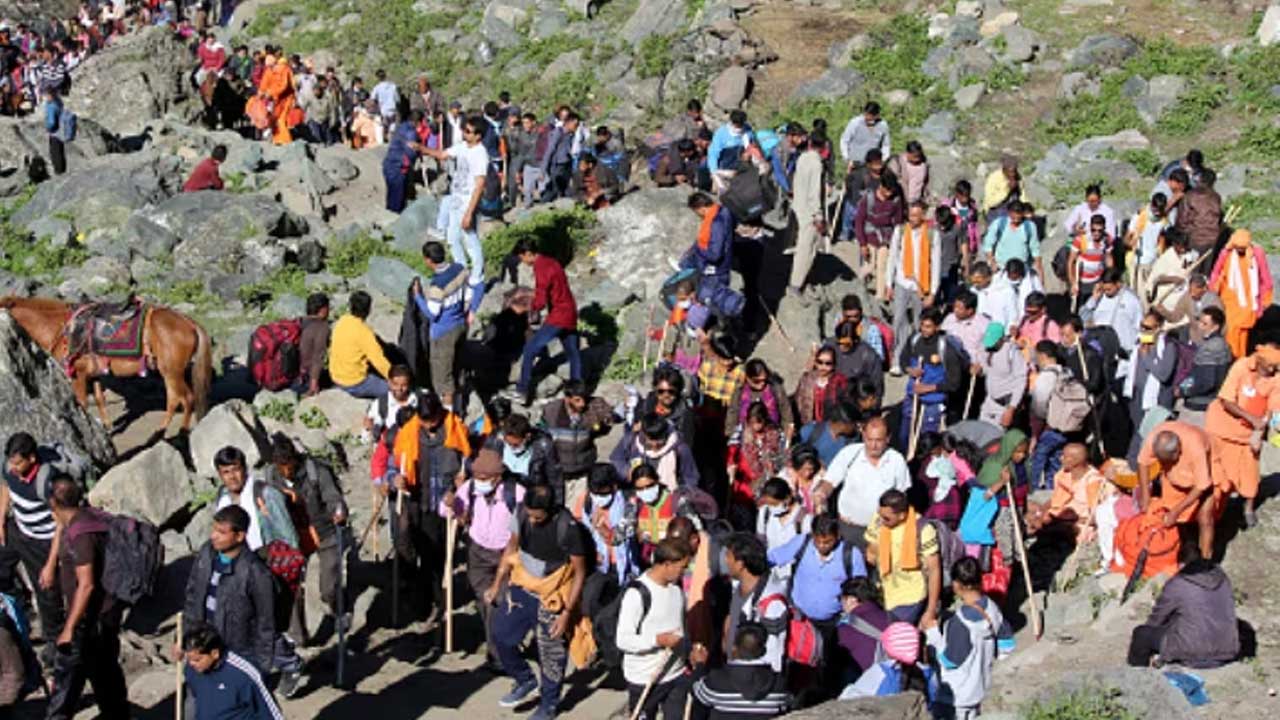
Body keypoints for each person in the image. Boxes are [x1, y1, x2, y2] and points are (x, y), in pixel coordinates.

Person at [487, 483, 588, 720]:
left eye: (538, 517)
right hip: (522, 585)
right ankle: (524, 679)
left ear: (550, 511)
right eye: (530, 514)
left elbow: (579, 572)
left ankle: (549, 704)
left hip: (553, 594)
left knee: (551, 653)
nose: (532, 520)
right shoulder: (522, 512)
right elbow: (511, 548)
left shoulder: (568, 528)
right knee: (501, 634)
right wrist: (496, 584)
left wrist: (566, 614)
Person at [1, 433, 82, 665]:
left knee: (47, 589)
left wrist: (50, 563)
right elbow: (6, 487)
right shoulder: (9, 469)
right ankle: (15, 606)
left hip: (43, 540)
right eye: (11, 462)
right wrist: (1, 520)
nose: (14, 468)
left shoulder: (48, 482)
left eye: (19, 463)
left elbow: (60, 523)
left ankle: (54, 641)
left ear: (32, 459)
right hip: (19, 529)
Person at [389, 393, 468, 632]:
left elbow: (468, 460)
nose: (429, 426)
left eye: (432, 420)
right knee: (419, 553)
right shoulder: (408, 433)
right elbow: (395, 465)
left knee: (440, 556)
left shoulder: (455, 429)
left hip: (444, 504)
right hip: (418, 502)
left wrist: (462, 480)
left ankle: (439, 601)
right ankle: (423, 603)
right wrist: (396, 479)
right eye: (425, 422)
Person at [441, 448, 524, 673]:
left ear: (497, 477)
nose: (479, 482)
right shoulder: (469, 488)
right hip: (477, 551)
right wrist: (451, 503)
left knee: (496, 602)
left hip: (504, 553)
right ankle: (498, 647)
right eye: (476, 477)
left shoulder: (516, 494)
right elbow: (453, 512)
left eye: (484, 478)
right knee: (484, 601)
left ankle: (499, 655)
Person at [263, 437, 350, 637]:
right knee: (290, 587)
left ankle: (339, 610)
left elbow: (333, 498)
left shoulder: (316, 472)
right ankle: (298, 637)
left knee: (328, 585)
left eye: (289, 465)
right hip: (292, 536)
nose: (286, 471)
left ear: (295, 459)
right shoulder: (271, 477)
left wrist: (339, 511)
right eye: (281, 466)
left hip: (325, 531)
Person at [924, 557, 1015, 720]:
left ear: (957, 585)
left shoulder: (960, 622)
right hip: (982, 689)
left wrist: (933, 634)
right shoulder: (993, 609)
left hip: (956, 695)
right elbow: (1007, 645)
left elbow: (949, 661)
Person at [1127, 542, 1239, 668]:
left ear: (1181, 564)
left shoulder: (1179, 583)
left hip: (1194, 651)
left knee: (1142, 635)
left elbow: (1157, 619)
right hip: (1226, 649)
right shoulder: (1222, 578)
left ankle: (1138, 676)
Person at [1205, 343, 1280, 529]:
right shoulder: (1241, 367)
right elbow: (1226, 400)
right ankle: (1214, 510)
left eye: (1276, 367)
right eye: (1269, 366)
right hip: (1222, 429)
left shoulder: (1276, 378)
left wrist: (1262, 429)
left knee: (1250, 474)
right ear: (1259, 360)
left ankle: (1247, 508)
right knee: (1218, 474)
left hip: (1248, 435)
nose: (1272, 371)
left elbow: (1273, 408)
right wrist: (1251, 419)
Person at [617, 537, 692, 720]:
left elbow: (682, 627)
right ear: (667, 564)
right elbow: (623, 640)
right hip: (644, 678)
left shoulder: (676, 591)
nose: (685, 572)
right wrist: (657, 640)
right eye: (682, 567)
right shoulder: (637, 594)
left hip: (675, 674)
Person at [511, 238, 582, 406]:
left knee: (530, 349)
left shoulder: (541, 268)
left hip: (558, 315)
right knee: (573, 353)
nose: (523, 261)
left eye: (522, 258)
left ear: (528, 254)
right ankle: (578, 391)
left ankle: (522, 390)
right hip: (570, 311)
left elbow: (541, 300)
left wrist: (525, 307)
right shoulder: (552, 262)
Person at [420, 116, 489, 290]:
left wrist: (469, 212)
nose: (465, 134)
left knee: (470, 238)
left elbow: (480, 185)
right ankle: (462, 270)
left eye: (468, 131)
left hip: (467, 201)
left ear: (478, 135)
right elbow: (443, 155)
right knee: (452, 239)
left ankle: (477, 275)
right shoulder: (463, 147)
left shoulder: (480, 154)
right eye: (464, 130)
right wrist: (421, 148)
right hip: (456, 198)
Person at [413, 240, 484, 402]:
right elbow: (470, 293)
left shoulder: (437, 286)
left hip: (443, 333)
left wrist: (418, 297)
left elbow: (432, 314)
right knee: (457, 365)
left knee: (443, 376)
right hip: (460, 324)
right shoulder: (460, 270)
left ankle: (449, 412)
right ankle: (460, 396)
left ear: (428, 260)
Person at [1137, 422, 1215, 559]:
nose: (1165, 465)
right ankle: (1180, 549)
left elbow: (1202, 486)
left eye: (1169, 461)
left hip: (1206, 474)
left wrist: (1177, 510)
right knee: (1171, 515)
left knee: (1205, 518)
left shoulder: (1196, 448)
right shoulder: (1156, 438)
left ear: (1178, 451)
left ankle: (1205, 561)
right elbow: (1142, 462)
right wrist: (1145, 494)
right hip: (1177, 479)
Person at [863, 489, 941, 626]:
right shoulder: (879, 519)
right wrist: (873, 551)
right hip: (885, 592)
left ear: (902, 516)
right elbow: (871, 548)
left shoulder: (923, 529)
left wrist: (930, 610)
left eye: (887, 518)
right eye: (880, 515)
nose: (881, 520)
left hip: (910, 597)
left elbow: (934, 570)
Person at [688, 622, 792, 719]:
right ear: (764, 650)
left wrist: (699, 665)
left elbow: (697, 692)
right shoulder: (779, 685)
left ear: (734, 648)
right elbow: (786, 705)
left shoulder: (716, 681)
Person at [830, 417, 909, 543]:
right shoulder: (849, 453)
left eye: (878, 440)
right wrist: (821, 494)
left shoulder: (896, 461)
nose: (873, 445)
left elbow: (901, 497)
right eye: (869, 440)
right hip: (850, 529)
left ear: (888, 438)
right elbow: (829, 481)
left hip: (882, 531)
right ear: (863, 435)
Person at [183, 624, 284, 720]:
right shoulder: (192, 669)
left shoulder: (245, 674)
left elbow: (271, 714)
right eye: (189, 659)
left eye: (197, 660)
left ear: (214, 654)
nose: (192, 664)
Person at [897, 308, 965, 444]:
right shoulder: (915, 339)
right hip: (912, 397)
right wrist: (909, 370)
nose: (923, 330)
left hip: (933, 403)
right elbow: (903, 359)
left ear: (937, 327)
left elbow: (954, 383)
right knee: (905, 437)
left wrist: (928, 388)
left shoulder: (946, 348)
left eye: (928, 326)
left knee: (927, 440)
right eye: (922, 325)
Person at [722, 533, 787, 673]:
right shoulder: (738, 590)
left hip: (757, 682)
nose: (725, 561)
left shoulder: (772, 604)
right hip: (737, 673)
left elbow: (774, 655)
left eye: (728, 556)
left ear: (740, 564)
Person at [542, 380, 615, 505]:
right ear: (567, 399)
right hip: (559, 474)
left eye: (584, 399)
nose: (582, 404)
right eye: (577, 400)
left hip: (583, 472)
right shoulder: (551, 412)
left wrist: (602, 421)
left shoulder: (592, 408)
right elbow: (542, 437)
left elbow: (604, 427)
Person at [887, 200, 941, 361]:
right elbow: (892, 258)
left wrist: (932, 292)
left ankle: (918, 356)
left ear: (923, 215)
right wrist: (888, 284)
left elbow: (936, 264)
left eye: (917, 215)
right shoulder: (900, 231)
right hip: (902, 281)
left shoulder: (932, 234)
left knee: (920, 323)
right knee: (898, 320)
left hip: (922, 286)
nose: (913, 218)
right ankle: (897, 357)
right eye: (910, 215)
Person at [1209, 229, 1274, 359]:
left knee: (1243, 333)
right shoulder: (1226, 253)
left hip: (1249, 302)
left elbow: (1265, 278)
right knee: (1230, 331)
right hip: (1230, 300)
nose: (1240, 250)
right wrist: (1213, 290)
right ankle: (1232, 358)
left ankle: (1239, 358)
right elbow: (1216, 272)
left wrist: (1265, 301)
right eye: (1237, 247)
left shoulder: (1257, 254)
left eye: (1242, 248)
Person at [1123, 313, 1178, 457]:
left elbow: (1164, 374)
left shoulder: (1168, 346)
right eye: (1142, 326)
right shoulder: (1138, 343)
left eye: (1147, 327)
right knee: (1137, 432)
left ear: (1158, 328)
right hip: (1136, 396)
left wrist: (1147, 357)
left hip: (1157, 399)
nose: (1143, 330)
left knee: (1151, 434)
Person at [571, 464, 636, 583]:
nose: (598, 498)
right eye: (594, 493)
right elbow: (581, 530)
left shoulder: (629, 501)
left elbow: (619, 536)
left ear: (614, 487)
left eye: (603, 494)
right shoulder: (586, 500)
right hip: (598, 564)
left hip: (623, 565)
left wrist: (601, 528)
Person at [1027, 443, 1103, 539]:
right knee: (1028, 507)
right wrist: (1041, 510)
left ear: (1076, 461)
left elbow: (1095, 516)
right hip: (1060, 514)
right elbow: (1056, 499)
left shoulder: (1093, 481)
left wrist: (1069, 520)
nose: (1060, 458)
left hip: (1079, 522)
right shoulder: (1063, 473)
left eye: (1064, 456)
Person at [329, 290, 393, 399]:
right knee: (394, 390)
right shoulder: (364, 332)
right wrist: (395, 379)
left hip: (335, 376)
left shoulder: (342, 321)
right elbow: (379, 360)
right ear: (368, 310)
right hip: (354, 382)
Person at [682, 192, 738, 314]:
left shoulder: (715, 223)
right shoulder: (724, 211)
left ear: (701, 208)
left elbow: (714, 254)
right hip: (723, 266)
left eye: (696, 211)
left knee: (713, 303)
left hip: (716, 270)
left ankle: (721, 325)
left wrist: (698, 250)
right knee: (718, 299)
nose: (698, 215)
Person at [787, 129, 826, 296]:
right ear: (824, 147)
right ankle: (797, 284)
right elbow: (814, 193)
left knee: (800, 246)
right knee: (807, 250)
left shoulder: (802, 158)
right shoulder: (817, 164)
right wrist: (818, 216)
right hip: (809, 212)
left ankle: (801, 280)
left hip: (798, 207)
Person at [1081, 268, 1144, 372]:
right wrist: (1093, 299)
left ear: (1118, 284)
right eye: (1104, 289)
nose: (1106, 292)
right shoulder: (1099, 297)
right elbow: (1082, 318)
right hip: (1102, 352)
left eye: (1109, 289)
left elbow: (1139, 326)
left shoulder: (1131, 300)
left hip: (1123, 353)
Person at [855, 178, 905, 302]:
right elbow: (859, 221)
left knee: (883, 267)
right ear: (881, 186)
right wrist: (862, 244)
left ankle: (880, 297)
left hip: (886, 238)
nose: (889, 194)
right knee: (870, 267)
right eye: (887, 191)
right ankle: (857, 287)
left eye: (891, 192)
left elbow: (898, 222)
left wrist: (896, 241)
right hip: (869, 237)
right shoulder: (869, 198)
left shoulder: (895, 200)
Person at [835, 576, 892, 678]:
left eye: (841, 598)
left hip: (867, 681)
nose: (841, 604)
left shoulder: (846, 628)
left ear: (852, 600)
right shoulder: (891, 618)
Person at [1178, 307, 1232, 412]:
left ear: (1215, 327)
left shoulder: (1211, 347)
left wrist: (1183, 390)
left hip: (1201, 404)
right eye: (1200, 321)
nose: (1200, 326)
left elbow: (1207, 381)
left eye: (1205, 324)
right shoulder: (1222, 344)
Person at [978, 322, 1026, 428]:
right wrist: (980, 370)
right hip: (989, 401)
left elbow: (1021, 381)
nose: (990, 346)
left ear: (1002, 339)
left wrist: (1011, 409)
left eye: (994, 342)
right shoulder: (985, 348)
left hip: (1004, 405)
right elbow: (989, 371)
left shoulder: (1012, 353)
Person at [1125, 192, 1171, 298]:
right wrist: (1131, 243)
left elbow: (1163, 242)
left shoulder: (1164, 222)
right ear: (1152, 205)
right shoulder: (1140, 216)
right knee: (1136, 292)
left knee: (1147, 294)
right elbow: (1127, 238)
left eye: (1160, 210)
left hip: (1153, 262)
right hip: (1138, 261)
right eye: (1155, 209)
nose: (1157, 213)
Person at [981, 201, 1042, 279]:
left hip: (1022, 270)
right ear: (1008, 212)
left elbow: (1035, 250)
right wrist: (992, 261)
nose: (1016, 220)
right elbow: (988, 244)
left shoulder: (1030, 227)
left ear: (1023, 214)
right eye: (1013, 217)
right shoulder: (999, 224)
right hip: (1001, 269)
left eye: (1018, 217)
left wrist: (1039, 272)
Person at [1158, 273, 1224, 345]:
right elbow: (1175, 317)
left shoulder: (1214, 301)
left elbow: (1222, 326)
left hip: (1210, 342)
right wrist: (1163, 311)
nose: (1192, 294)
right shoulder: (1187, 297)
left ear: (1204, 288)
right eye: (1190, 290)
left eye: (1195, 290)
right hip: (1193, 339)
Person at [382, 110, 427, 212]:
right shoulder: (411, 132)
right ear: (419, 122)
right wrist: (419, 149)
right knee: (397, 200)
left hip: (389, 165)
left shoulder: (401, 126)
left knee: (391, 196)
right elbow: (411, 152)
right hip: (398, 167)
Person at [1067, 213, 1114, 310]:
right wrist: (1072, 283)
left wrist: (1110, 278)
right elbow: (1071, 262)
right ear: (1090, 227)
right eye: (1093, 230)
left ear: (1104, 229)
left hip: (1097, 281)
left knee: (1096, 309)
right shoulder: (1081, 240)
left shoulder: (1106, 239)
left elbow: (1109, 258)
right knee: (1081, 309)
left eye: (1099, 231)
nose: (1096, 233)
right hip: (1082, 282)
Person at [793, 345, 849, 426]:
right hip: (809, 425)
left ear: (834, 365)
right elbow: (798, 401)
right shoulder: (807, 379)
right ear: (815, 362)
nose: (823, 367)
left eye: (828, 363)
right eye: (820, 362)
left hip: (831, 426)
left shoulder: (839, 381)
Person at [363, 364, 418, 442]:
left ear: (409, 384)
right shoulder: (381, 403)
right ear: (389, 382)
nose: (399, 388)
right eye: (395, 384)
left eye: (404, 385)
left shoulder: (418, 399)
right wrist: (370, 428)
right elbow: (369, 424)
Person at [830, 321, 883, 400]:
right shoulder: (831, 348)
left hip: (859, 399)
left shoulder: (869, 356)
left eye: (846, 344)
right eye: (839, 343)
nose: (842, 346)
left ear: (855, 341)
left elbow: (877, 385)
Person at [1176, 168, 1223, 257]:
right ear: (1213, 182)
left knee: (1192, 267)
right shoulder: (1216, 197)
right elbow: (1219, 218)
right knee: (1206, 268)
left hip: (1194, 238)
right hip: (1213, 239)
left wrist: (1179, 238)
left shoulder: (1190, 195)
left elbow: (1182, 220)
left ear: (1200, 179)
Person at [839, 102, 890, 173]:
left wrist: (884, 159)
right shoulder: (855, 123)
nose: (868, 119)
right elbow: (844, 140)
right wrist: (847, 158)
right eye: (866, 116)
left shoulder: (883, 125)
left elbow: (886, 144)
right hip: (856, 162)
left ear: (877, 116)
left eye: (871, 118)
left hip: (873, 164)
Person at [256, 54, 295, 145]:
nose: (272, 68)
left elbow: (284, 86)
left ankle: (285, 141)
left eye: (272, 66)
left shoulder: (284, 69)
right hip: (274, 100)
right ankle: (277, 139)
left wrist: (270, 93)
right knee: (273, 120)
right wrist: (260, 93)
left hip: (286, 99)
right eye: (269, 66)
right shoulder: (268, 71)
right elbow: (263, 84)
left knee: (281, 120)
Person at [967, 262, 1018, 332]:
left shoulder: (1005, 290)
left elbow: (1013, 313)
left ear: (988, 277)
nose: (975, 285)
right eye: (973, 282)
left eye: (978, 281)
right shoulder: (974, 291)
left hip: (1001, 332)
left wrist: (1011, 327)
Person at [296, 292, 330, 397]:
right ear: (322, 310)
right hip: (306, 380)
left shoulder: (300, 322)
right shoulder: (322, 328)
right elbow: (318, 357)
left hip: (292, 376)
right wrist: (313, 385)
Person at [980, 155, 1027, 219]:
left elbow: (1022, 196)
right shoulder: (994, 178)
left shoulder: (1018, 178)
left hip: (1013, 207)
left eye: (1014, 171)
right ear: (1004, 169)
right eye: (1010, 172)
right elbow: (990, 203)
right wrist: (1007, 190)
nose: (1013, 174)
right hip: (995, 209)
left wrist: (1026, 208)